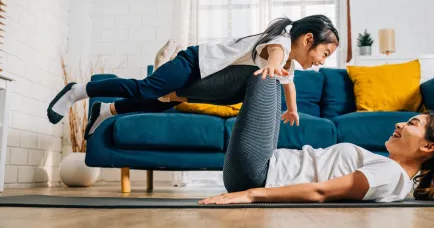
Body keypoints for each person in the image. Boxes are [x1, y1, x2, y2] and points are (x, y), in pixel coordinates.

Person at [46, 15, 339, 139]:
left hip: (208, 77)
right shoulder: (282, 42)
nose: (322, 61)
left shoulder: (290, 63)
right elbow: (275, 52)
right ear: (308, 39)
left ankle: (106, 110)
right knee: (147, 88)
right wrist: (273, 66)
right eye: (324, 53)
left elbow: (289, 85)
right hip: (194, 62)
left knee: (162, 102)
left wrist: (292, 109)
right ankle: (79, 91)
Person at [192, 74, 434, 204]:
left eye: (412, 123)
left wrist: (250, 195)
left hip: (258, 173)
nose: (399, 123)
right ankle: (175, 91)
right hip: (262, 167)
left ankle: (169, 89)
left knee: (266, 76)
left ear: (429, 146)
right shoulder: (390, 172)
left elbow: (319, 192)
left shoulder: (390, 174)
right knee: (270, 77)